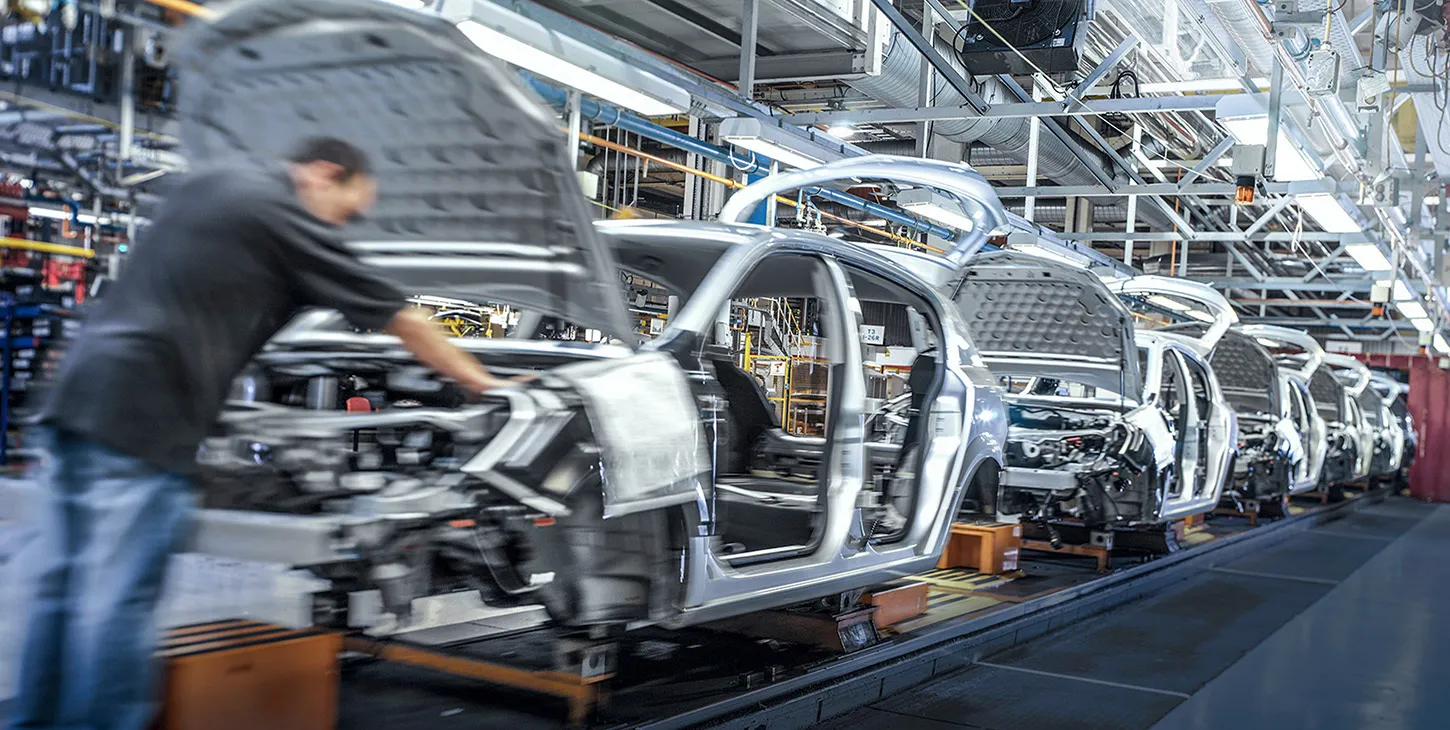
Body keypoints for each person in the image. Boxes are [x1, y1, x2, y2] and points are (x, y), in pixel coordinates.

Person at [8, 137, 512, 730]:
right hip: (144, 421)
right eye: (348, 210)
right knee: (115, 605)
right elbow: (401, 317)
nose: (343, 225)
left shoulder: (213, 184)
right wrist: (487, 384)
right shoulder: (284, 213)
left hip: (76, 401)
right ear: (324, 175)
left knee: (60, 595)